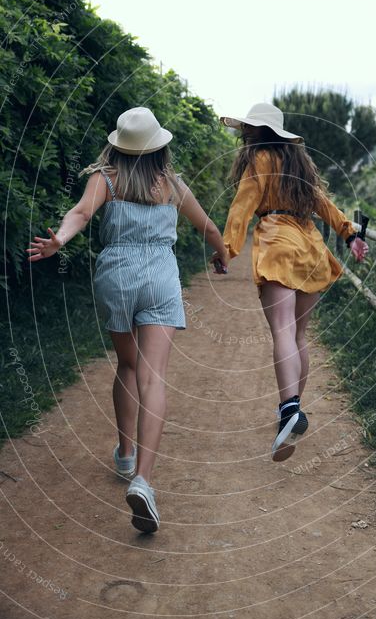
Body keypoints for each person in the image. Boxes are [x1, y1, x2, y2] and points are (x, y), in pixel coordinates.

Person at [27, 107, 228, 533]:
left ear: (118, 144)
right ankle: (144, 480)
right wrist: (221, 255)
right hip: (159, 277)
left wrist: (58, 241)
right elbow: (209, 228)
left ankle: (123, 451)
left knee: (129, 365)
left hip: (115, 276)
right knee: (154, 377)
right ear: (160, 146)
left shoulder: (106, 178)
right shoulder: (172, 184)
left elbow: (80, 214)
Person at [217, 102, 368, 461]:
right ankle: (292, 408)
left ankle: (288, 409)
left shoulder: (258, 161)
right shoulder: (298, 164)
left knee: (282, 331)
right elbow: (323, 203)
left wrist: (226, 249)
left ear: (256, 132)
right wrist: (350, 235)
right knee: (299, 335)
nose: (244, 134)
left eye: (247, 129)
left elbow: (242, 206)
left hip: (278, 244)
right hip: (310, 248)